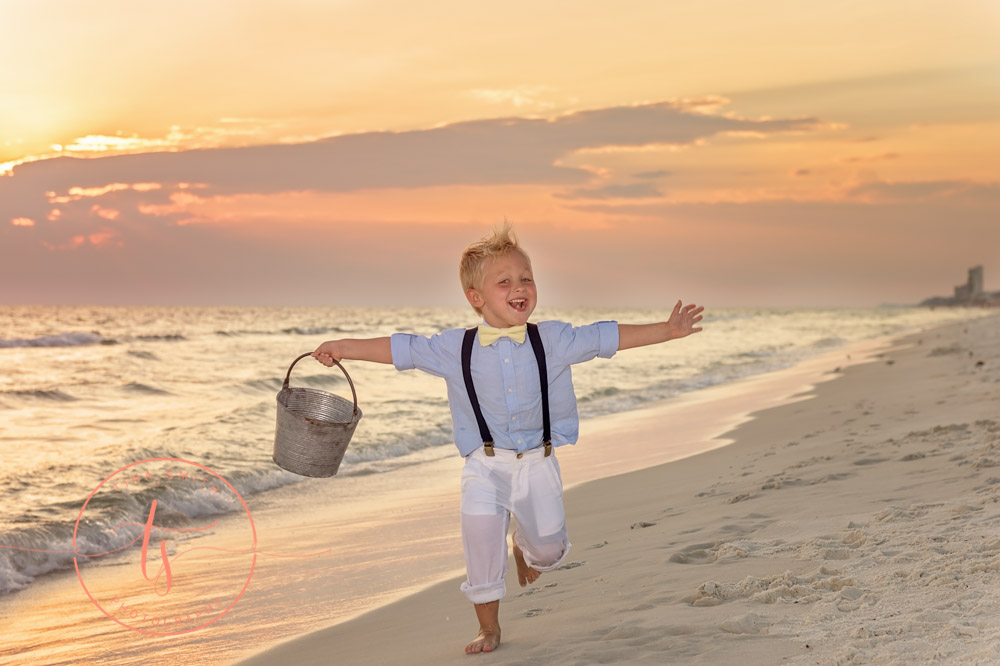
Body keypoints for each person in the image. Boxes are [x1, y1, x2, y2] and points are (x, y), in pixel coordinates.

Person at [312, 223, 703, 655]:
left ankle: (524, 547)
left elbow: (605, 337)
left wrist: (667, 331)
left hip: (537, 463)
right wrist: (341, 347)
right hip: (484, 465)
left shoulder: (553, 339)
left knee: (550, 552)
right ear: (476, 297)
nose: (519, 287)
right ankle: (489, 628)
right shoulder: (452, 347)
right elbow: (398, 349)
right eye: (505, 281)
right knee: (480, 543)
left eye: (526, 278)